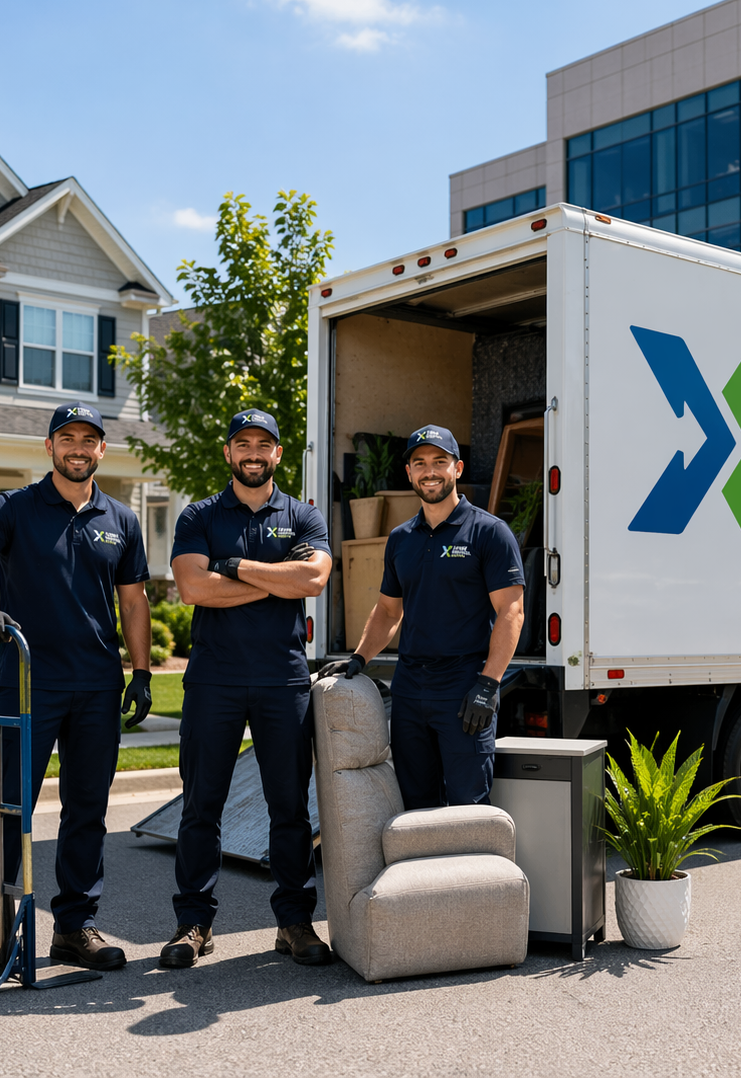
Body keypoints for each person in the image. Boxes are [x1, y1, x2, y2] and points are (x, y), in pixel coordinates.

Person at [0, 402, 153, 989]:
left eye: (89, 438)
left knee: (88, 811)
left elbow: (133, 601)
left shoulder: (122, 519)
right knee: (7, 811)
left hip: (97, 686)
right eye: (67, 437)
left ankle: (73, 929)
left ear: (102, 449)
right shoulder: (14, 507)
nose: (78, 447)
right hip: (27, 684)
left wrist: (141, 671)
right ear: (49, 446)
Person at [161, 408, 334, 969]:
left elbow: (314, 578)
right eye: (243, 444)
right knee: (200, 805)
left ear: (278, 453)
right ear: (229, 453)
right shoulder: (199, 515)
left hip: (283, 679)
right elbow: (191, 589)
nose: (253, 452)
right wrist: (274, 577)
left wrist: (233, 567)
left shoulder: (304, 515)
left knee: (289, 807)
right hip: (214, 679)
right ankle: (193, 924)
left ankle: (294, 922)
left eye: (264, 443)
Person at [324, 425, 525, 809]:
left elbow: (510, 611)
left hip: (465, 687)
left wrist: (488, 684)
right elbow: (387, 609)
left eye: (439, 461)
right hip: (410, 689)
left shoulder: (489, 532)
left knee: (468, 803)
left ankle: (472, 872)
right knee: (416, 804)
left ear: (458, 469)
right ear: (409, 474)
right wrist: (359, 657)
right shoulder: (401, 538)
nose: (430, 471)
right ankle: (423, 871)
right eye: (420, 463)